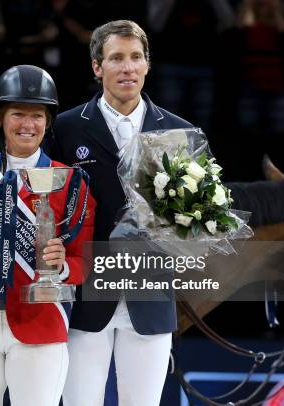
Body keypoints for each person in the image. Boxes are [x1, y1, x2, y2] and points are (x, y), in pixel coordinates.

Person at [49, 20, 192, 405]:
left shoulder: (180, 133)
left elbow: (192, 223)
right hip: (85, 298)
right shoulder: (64, 130)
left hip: (150, 299)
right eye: (116, 58)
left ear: (147, 64)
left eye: (135, 57)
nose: (127, 68)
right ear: (98, 67)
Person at [0, 64, 96, 406]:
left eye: (37, 116)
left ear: (48, 123)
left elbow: (84, 261)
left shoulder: (70, 182)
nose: (27, 125)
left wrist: (59, 268)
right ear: (0, 118)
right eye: (17, 114)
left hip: (41, 325)